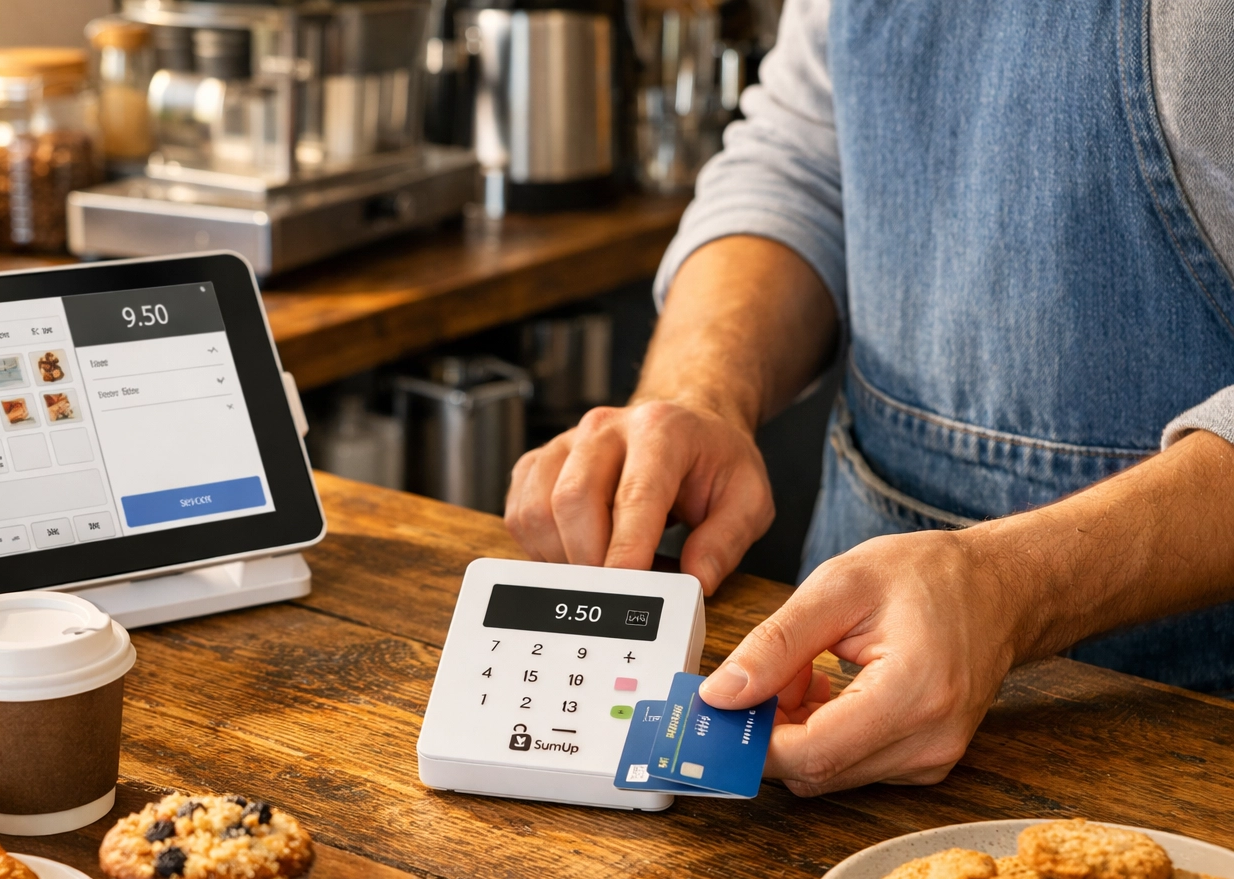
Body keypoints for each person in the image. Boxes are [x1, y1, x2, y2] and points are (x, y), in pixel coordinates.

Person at [504, 0, 1234, 795]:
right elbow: (803, 158)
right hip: (835, 679)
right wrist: (700, 390)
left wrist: (1014, 587)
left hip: (1188, 739)